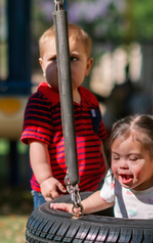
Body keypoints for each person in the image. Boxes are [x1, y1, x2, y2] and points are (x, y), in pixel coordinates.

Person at [21, 23, 107, 209]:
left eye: (73, 58)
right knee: (55, 236)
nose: (63, 65)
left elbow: (99, 139)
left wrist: (107, 172)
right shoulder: (41, 102)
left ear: (88, 66)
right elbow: (37, 144)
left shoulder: (90, 99)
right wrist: (45, 179)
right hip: (55, 190)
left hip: (94, 189)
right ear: (43, 66)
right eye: (54, 59)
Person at [51, 114, 153, 220]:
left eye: (133, 159)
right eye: (116, 157)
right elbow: (102, 198)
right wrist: (78, 207)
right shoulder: (114, 181)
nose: (122, 165)